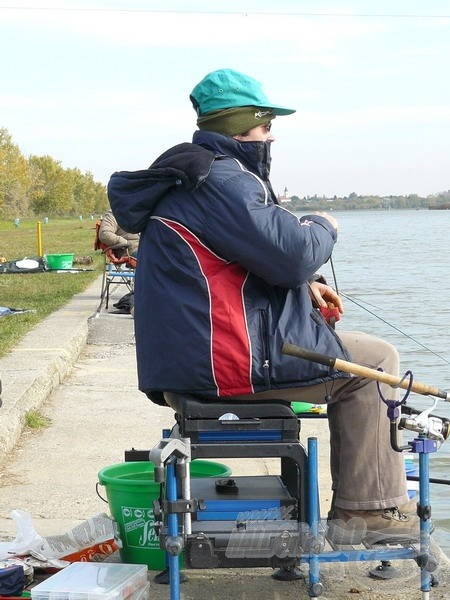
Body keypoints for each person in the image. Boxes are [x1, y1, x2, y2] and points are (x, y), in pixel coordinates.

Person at [108, 68, 418, 542]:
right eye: (267, 125)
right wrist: (323, 224)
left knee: (363, 357)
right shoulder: (222, 179)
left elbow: (233, 266)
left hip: (187, 361)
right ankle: (366, 513)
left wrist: (308, 285)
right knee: (377, 362)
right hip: (219, 367)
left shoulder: (191, 176)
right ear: (243, 125)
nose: (272, 136)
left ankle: (365, 506)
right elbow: (292, 252)